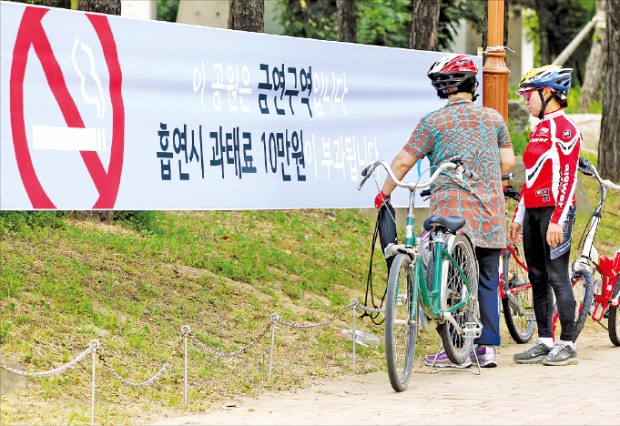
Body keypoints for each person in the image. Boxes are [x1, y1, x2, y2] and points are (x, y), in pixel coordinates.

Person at [374, 54, 515, 368]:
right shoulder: (493, 119)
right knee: (487, 277)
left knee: (446, 278)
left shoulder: (432, 122)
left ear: (442, 90)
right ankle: (486, 348)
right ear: (473, 84)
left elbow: (402, 162)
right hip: (490, 213)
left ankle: (455, 346)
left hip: (449, 215)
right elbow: (507, 163)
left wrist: (383, 193)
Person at [508, 65, 582, 366]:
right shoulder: (538, 129)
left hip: (555, 211)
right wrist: (517, 216)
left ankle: (567, 344)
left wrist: (557, 220)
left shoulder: (565, 129)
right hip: (533, 212)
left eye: (529, 94)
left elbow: (567, 178)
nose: (526, 100)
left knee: (557, 276)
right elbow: (531, 179)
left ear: (548, 92)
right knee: (536, 276)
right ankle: (544, 340)